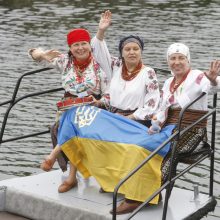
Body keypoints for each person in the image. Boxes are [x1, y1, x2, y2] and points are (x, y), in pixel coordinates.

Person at [52, 42, 220, 215]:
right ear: (168, 61)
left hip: (189, 130)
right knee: (132, 143)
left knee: (141, 149)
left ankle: (138, 197)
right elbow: (162, 109)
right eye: (173, 58)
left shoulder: (197, 76)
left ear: (188, 60)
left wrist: (213, 78)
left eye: (181, 58)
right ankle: (141, 189)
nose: (177, 62)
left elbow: (213, 87)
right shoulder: (169, 81)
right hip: (167, 127)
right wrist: (155, 125)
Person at [28, 28, 109, 193]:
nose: (80, 48)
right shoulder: (64, 61)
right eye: (75, 45)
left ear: (90, 45)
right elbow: (33, 53)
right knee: (71, 121)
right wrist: (42, 54)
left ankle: (56, 160)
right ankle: (69, 173)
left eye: (84, 44)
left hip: (92, 108)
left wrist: (100, 101)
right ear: (70, 48)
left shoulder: (99, 66)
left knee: (76, 122)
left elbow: (108, 94)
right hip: (67, 106)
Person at [91, 10, 160, 126]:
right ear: (121, 53)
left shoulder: (148, 72)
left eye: (135, 49)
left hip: (136, 121)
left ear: (141, 52)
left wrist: (129, 118)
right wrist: (101, 31)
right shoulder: (116, 66)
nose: (132, 52)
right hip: (113, 116)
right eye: (127, 49)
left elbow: (152, 105)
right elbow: (98, 52)